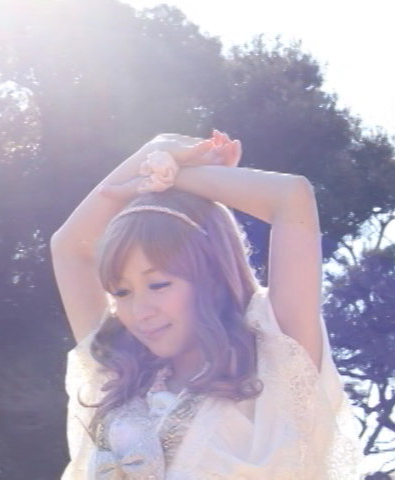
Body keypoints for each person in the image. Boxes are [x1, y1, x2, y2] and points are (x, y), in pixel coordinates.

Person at [51, 130, 363, 479]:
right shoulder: (116, 374)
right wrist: (157, 151)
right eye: (121, 293)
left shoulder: (275, 358)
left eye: (159, 284)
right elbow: (68, 248)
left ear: (211, 275)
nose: (140, 312)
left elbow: (291, 197)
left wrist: (167, 176)